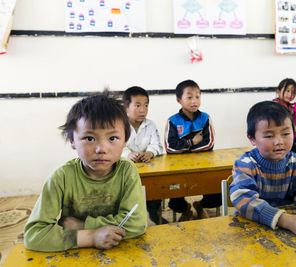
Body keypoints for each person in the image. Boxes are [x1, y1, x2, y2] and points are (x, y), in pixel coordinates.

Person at [24, 93, 147, 252]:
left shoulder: (127, 171)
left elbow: (137, 224)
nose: (101, 149)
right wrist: (91, 236)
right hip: (74, 254)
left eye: (113, 138)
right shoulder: (61, 178)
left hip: (120, 252)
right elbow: (34, 235)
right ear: (72, 141)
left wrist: (81, 226)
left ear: (125, 142)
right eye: (89, 138)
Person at [230, 101, 296, 239]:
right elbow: (244, 200)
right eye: (269, 136)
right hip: (252, 230)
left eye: (285, 133)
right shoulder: (245, 165)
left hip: (293, 231)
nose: (279, 141)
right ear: (252, 138)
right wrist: (286, 220)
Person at [165, 79, 219, 221]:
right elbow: (170, 147)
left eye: (197, 96)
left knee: (216, 194)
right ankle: (185, 209)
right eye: (189, 97)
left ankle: (200, 205)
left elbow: (209, 144)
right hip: (178, 167)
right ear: (179, 100)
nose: (194, 101)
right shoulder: (173, 121)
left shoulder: (205, 118)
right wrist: (192, 142)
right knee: (175, 198)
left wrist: (183, 147)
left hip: (204, 163)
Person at [122, 86, 167, 225]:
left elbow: (157, 145)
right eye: (137, 105)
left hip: (149, 170)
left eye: (146, 105)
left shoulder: (150, 125)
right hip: (126, 171)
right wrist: (128, 154)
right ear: (126, 107)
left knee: (154, 193)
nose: (143, 110)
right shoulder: (118, 125)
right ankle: (133, 221)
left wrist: (150, 152)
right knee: (131, 199)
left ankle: (155, 216)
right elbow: (115, 147)